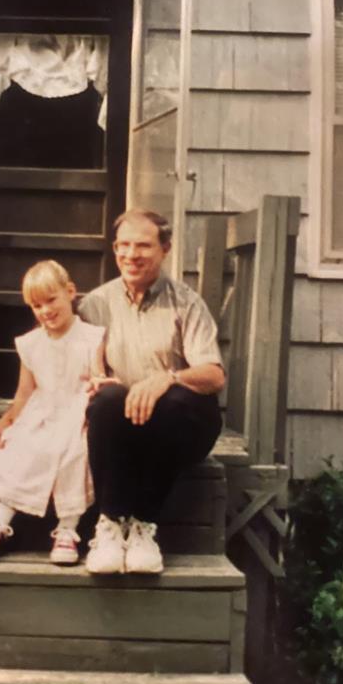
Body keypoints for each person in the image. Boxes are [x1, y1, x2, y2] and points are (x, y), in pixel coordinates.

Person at [79, 209, 225, 575]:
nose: (132, 255)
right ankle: (111, 524)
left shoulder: (186, 302)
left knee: (176, 402)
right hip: (121, 424)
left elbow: (214, 375)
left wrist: (168, 378)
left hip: (176, 427)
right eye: (124, 245)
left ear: (165, 249)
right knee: (107, 400)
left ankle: (144, 524)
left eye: (143, 246)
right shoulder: (95, 305)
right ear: (115, 248)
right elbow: (77, 369)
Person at [0, 260, 105, 565]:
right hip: (43, 414)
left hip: (78, 412)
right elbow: (24, 394)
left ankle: (67, 528)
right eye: (36, 305)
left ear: (70, 292)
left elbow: (98, 376)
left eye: (51, 300)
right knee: (25, 446)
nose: (45, 311)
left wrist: (97, 384)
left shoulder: (91, 337)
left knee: (76, 452)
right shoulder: (30, 344)